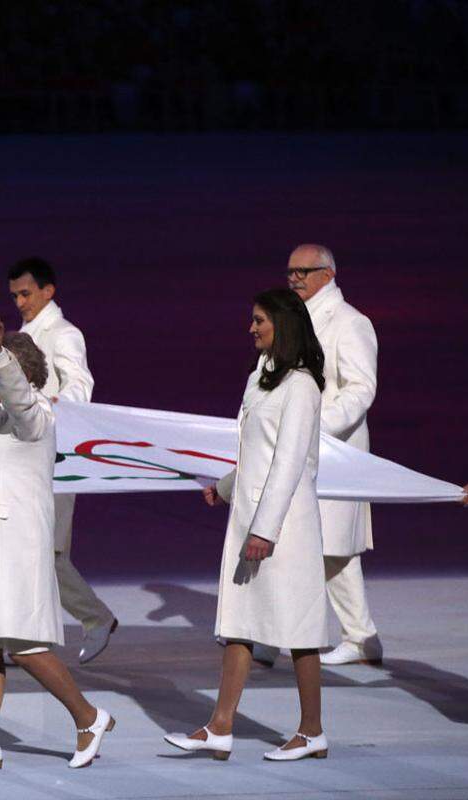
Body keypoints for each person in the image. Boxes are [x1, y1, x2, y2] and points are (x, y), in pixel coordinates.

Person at [0, 311, 115, 771]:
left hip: (13, 547)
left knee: (24, 646)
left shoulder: (38, 417)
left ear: (22, 374)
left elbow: (21, 400)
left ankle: (89, 717)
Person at [164, 288, 332, 762]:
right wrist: (224, 486)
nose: (251, 328)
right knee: (238, 623)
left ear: (283, 324)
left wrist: (266, 529)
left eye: (259, 320)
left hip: (285, 527)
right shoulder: (261, 378)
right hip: (251, 518)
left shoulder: (301, 385)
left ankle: (312, 730)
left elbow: (289, 463)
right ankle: (220, 726)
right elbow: (256, 456)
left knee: (298, 630)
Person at [254, 244, 382, 668]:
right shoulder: (292, 318)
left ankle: (353, 637)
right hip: (294, 445)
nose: (294, 279)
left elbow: (361, 389)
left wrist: (315, 424)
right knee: (304, 542)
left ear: (327, 274)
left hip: (333, 450)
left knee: (326, 549)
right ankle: (343, 636)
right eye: (290, 272)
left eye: (302, 272)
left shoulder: (349, 322)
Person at [8, 257, 118, 663]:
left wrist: (58, 404)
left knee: (46, 553)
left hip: (57, 457)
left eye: (26, 293)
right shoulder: (26, 333)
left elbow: (80, 384)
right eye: (15, 295)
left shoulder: (63, 333)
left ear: (48, 291)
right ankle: (30, 637)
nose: (20, 301)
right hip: (26, 455)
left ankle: (95, 618)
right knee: (30, 549)